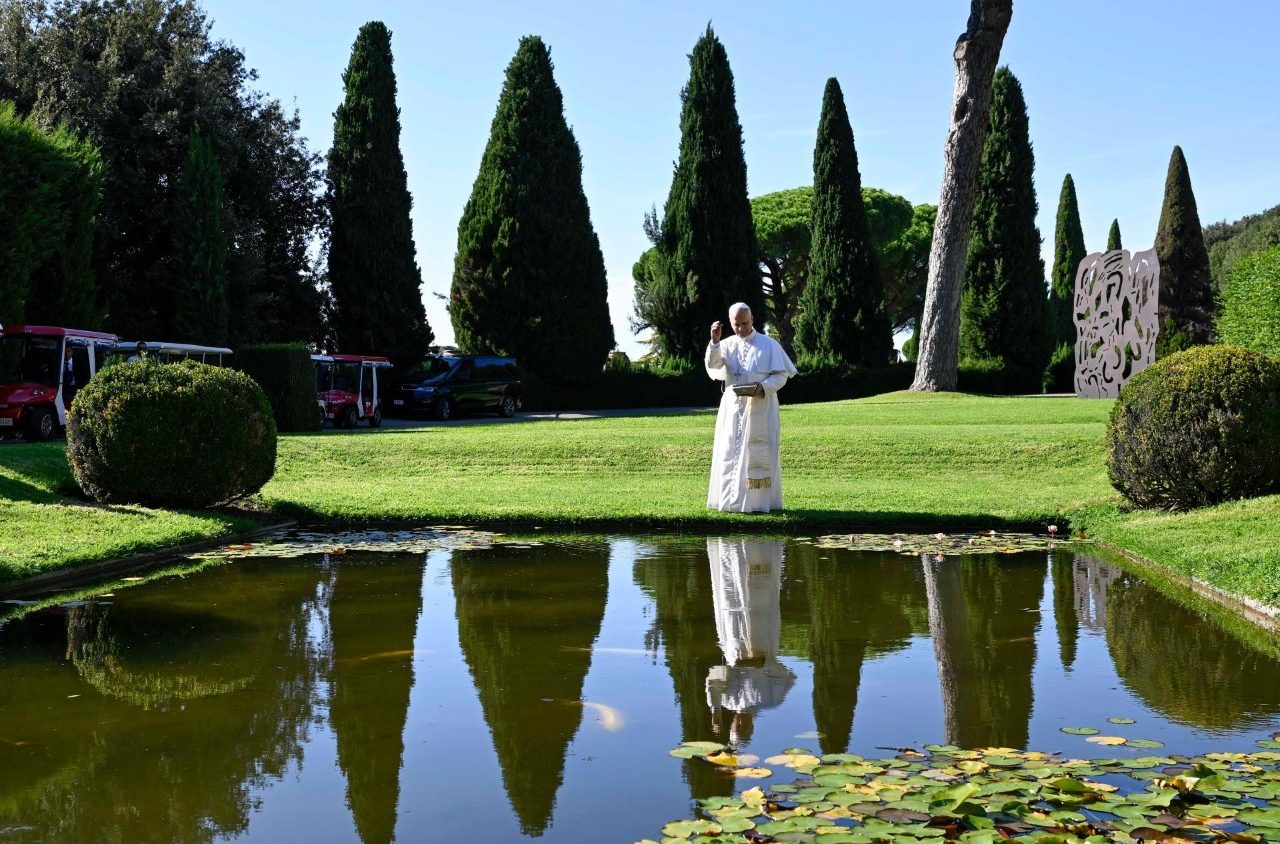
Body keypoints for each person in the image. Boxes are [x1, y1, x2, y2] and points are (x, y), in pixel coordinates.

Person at [704, 302, 797, 513]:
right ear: (730, 323)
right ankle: (730, 502)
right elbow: (713, 366)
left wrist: (762, 387)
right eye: (736, 324)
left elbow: (781, 375)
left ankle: (758, 503)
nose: (741, 328)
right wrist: (715, 342)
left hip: (761, 406)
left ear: (752, 319)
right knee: (730, 451)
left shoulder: (769, 344)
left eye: (744, 323)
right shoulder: (725, 344)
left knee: (754, 453)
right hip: (732, 409)